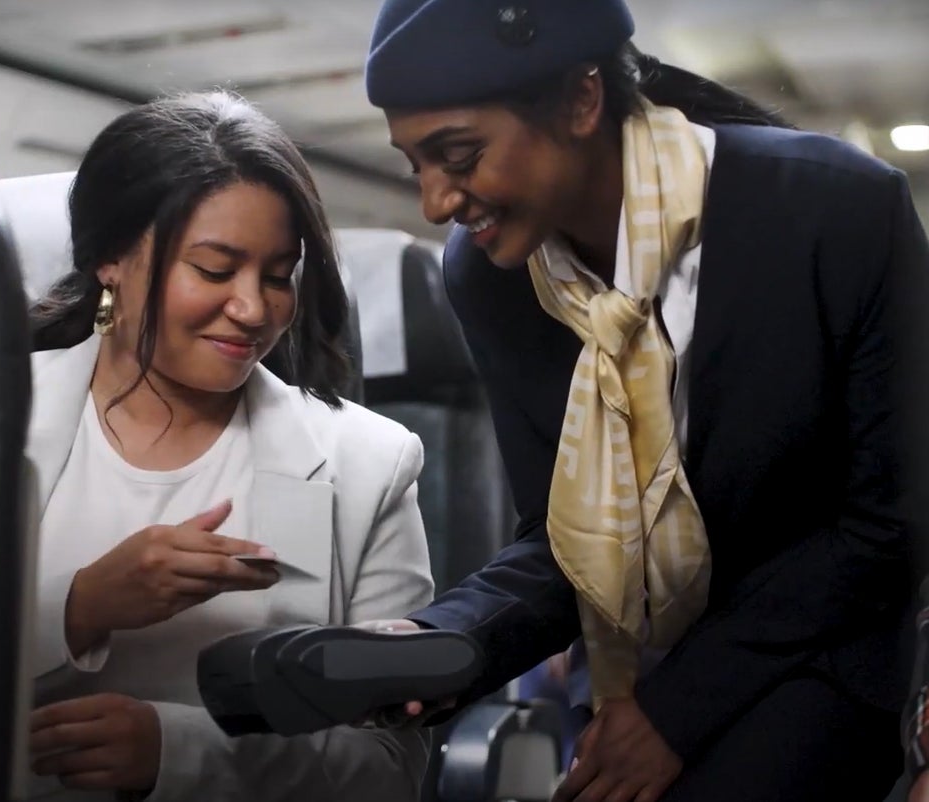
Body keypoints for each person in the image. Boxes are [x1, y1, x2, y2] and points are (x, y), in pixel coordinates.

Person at [359, 1, 929, 800]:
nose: (435, 202)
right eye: (414, 164)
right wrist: (439, 640)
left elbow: (886, 525)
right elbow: (560, 540)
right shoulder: (490, 278)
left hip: (823, 653)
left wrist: (677, 713)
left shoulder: (831, 212)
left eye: (457, 155)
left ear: (582, 101)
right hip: (633, 678)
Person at [22, 90, 434, 802]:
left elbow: (391, 765)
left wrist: (178, 753)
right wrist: (80, 606)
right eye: (215, 270)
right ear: (111, 259)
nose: (253, 309)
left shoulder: (366, 464)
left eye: (278, 276)